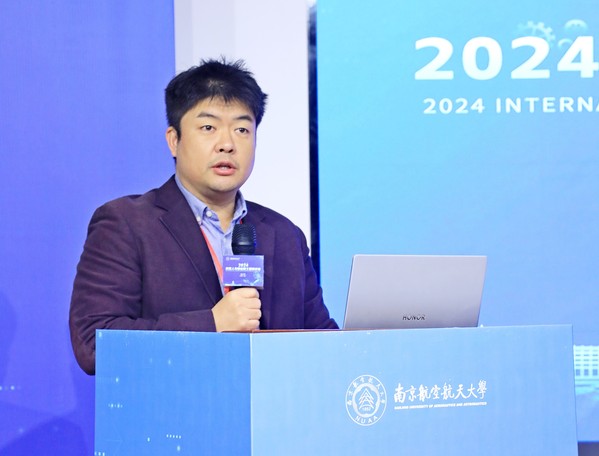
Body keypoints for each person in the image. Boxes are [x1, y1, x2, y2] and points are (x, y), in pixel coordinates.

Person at [69, 59, 338, 375]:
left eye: (241, 129)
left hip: (272, 405)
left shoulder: (284, 235)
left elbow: (325, 344)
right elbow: (94, 344)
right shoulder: (127, 224)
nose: (227, 144)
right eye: (209, 128)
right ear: (174, 140)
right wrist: (213, 323)